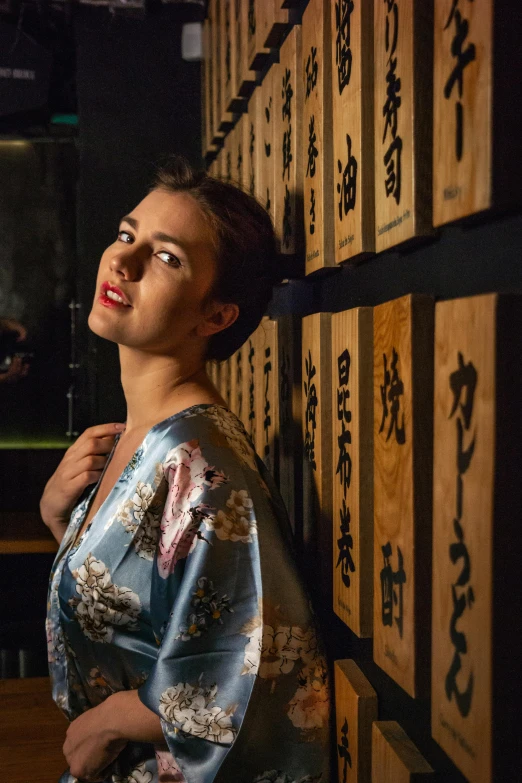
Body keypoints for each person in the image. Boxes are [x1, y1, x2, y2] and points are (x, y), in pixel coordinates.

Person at [41, 156, 331, 783]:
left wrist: (115, 717)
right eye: (127, 235)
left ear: (216, 315)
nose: (123, 262)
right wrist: (60, 522)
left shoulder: (200, 464)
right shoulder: (134, 438)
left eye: (167, 257)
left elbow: (242, 662)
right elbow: (141, 608)